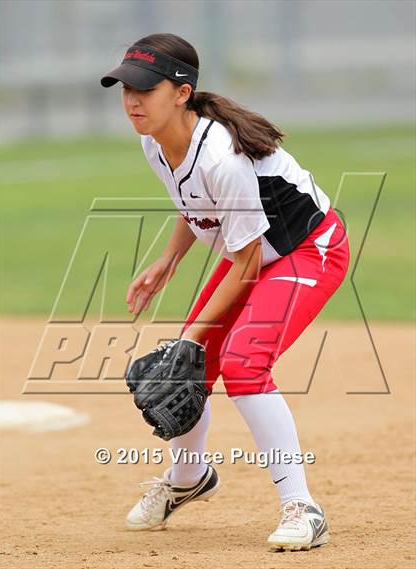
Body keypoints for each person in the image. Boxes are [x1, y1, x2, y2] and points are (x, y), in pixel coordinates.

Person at [101, 32, 350, 551]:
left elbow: (247, 259)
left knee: (242, 362)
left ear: (181, 93)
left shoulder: (222, 155)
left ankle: (303, 507)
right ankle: (188, 478)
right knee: (190, 368)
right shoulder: (156, 142)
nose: (131, 100)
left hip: (308, 249)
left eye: (144, 88)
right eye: (125, 87)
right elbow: (196, 204)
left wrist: (189, 337)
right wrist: (168, 258)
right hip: (254, 253)